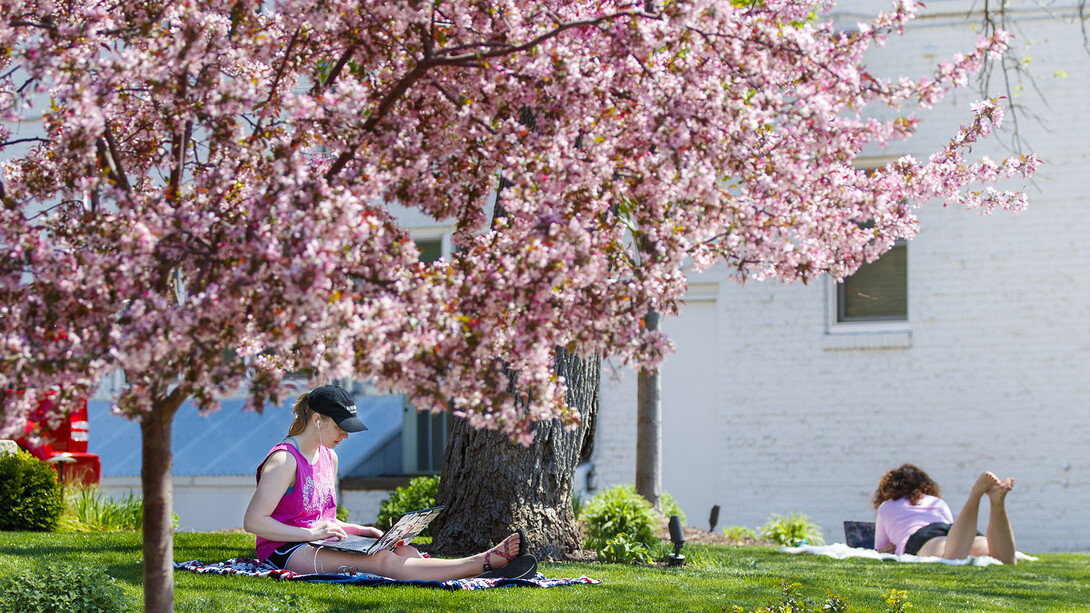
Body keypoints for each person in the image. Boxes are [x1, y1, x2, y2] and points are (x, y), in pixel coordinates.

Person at [244, 384, 537, 580]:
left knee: (402, 551)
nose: (345, 436)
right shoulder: (285, 461)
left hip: (315, 540)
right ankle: (481, 564)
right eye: (340, 427)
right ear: (317, 419)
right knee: (380, 562)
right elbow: (254, 522)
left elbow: (319, 520)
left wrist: (357, 530)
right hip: (284, 551)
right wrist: (311, 534)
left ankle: (479, 573)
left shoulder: (327, 458)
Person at [872, 463, 1017, 565]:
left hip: (920, 536)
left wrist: (881, 551)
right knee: (1002, 559)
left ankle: (976, 494)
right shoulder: (937, 502)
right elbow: (956, 535)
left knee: (949, 557)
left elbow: (881, 547)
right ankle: (997, 502)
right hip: (949, 529)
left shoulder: (886, 506)